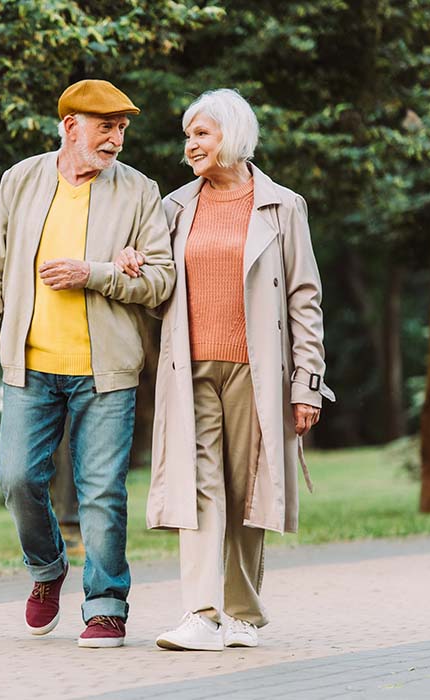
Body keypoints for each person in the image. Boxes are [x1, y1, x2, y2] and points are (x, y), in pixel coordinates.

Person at [116, 89, 335, 651]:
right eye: (189, 135)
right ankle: (200, 612)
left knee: (248, 490)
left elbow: (304, 300)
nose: (190, 145)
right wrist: (131, 262)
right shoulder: (173, 207)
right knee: (199, 485)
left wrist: (306, 383)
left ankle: (242, 614)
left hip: (257, 371)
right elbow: (156, 284)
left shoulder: (284, 207)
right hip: (189, 366)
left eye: (202, 134)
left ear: (232, 137)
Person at [0, 79, 175, 648]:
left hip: (106, 372)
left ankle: (106, 604)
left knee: (102, 490)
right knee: (16, 479)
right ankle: (48, 568)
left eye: (123, 129)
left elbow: (161, 282)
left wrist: (97, 273)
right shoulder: (21, 181)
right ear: (70, 126)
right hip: (29, 369)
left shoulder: (138, 192)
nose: (117, 140)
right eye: (106, 127)